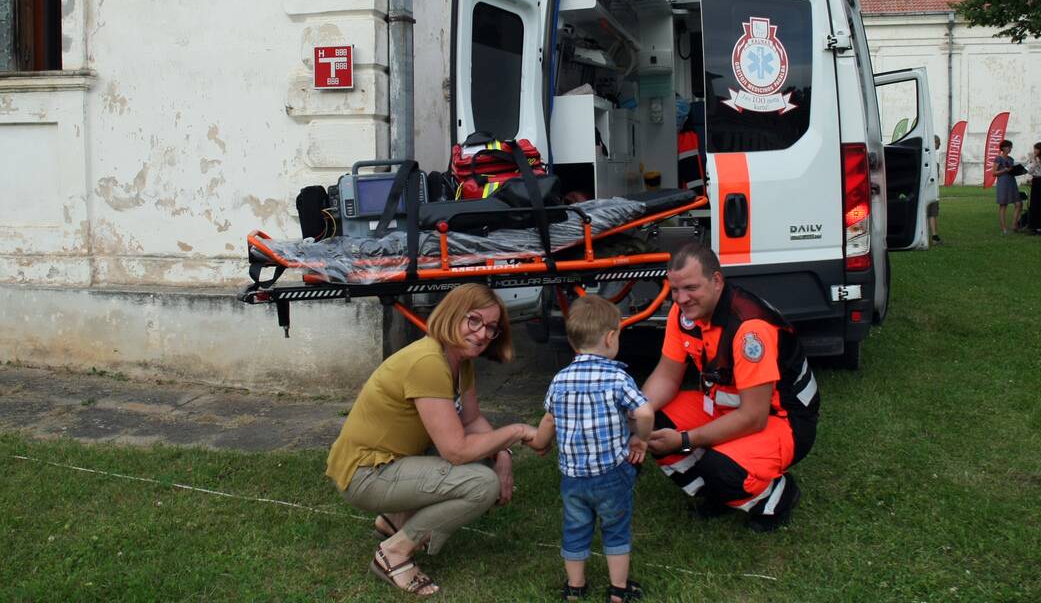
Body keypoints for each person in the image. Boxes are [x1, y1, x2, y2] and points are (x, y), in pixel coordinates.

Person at [325, 283, 537, 597]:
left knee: (484, 458)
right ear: (452, 315)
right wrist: (517, 431)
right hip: (365, 473)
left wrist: (503, 454)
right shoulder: (429, 362)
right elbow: (455, 450)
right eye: (473, 321)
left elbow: (472, 420)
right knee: (482, 483)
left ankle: (396, 518)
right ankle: (394, 552)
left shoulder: (456, 359)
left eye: (491, 328)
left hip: (389, 462)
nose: (481, 334)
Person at [640, 242, 820, 532]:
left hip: (782, 419)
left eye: (690, 288)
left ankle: (779, 496)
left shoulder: (750, 328)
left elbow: (754, 416)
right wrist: (637, 413)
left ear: (716, 281)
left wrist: (686, 440)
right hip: (728, 406)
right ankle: (719, 494)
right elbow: (667, 375)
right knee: (653, 421)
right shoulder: (684, 313)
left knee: (720, 467)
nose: (681, 299)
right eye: (675, 290)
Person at [528, 295, 654, 603]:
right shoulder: (617, 376)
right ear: (611, 337)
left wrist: (540, 444)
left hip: (573, 478)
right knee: (616, 529)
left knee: (575, 527)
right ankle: (619, 591)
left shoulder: (559, 380)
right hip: (612, 474)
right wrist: (640, 439)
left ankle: (575, 587)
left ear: (573, 343)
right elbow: (645, 413)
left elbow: (549, 419)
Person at [993, 139, 1021, 234]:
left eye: (1011, 147)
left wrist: (1018, 171)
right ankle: (1004, 228)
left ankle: (1014, 225)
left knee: (1018, 204)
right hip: (1003, 183)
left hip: (1012, 182)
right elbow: (994, 173)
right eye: (1009, 147)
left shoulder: (1011, 159)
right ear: (1004, 148)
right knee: (1003, 205)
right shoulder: (998, 159)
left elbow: (1012, 170)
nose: (1010, 149)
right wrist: (1004, 170)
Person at [928, 135, 942, 244]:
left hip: (933, 190)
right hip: (928, 190)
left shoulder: (934, 161)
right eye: (937, 142)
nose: (939, 144)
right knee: (930, 212)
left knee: (933, 213)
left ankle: (934, 236)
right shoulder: (928, 160)